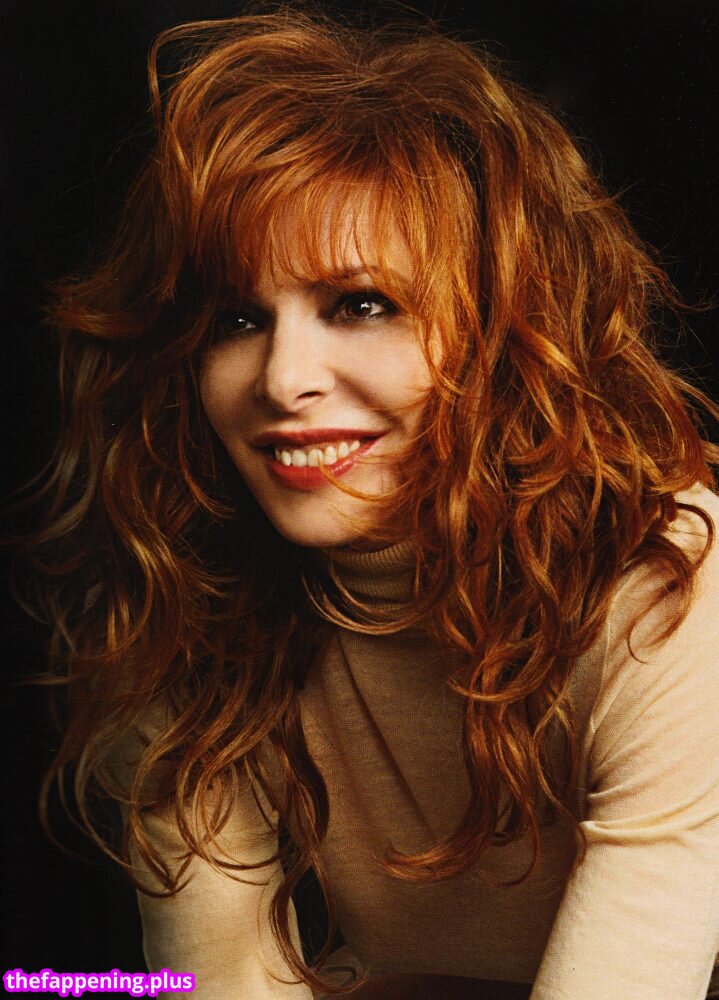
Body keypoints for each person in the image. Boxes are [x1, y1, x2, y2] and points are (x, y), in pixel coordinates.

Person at [22, 7, 719, 999]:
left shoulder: (669, 577)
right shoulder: (184, 586)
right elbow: (226, 982)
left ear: (503, 327)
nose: (282, 379)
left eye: (360, 305)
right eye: (236, 318)